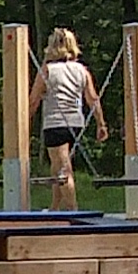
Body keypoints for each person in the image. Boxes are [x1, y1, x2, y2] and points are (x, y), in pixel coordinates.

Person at [37, 26, 103, 205]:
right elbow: (92, 98)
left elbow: (33, 99)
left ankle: (73, 209)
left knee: (63, 169)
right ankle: (55, 206)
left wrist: (24, 123)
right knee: (57, 164)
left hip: (55, 123)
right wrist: (100, 123)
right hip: (75, 123)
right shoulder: (81, 70)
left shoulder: (48, 70)